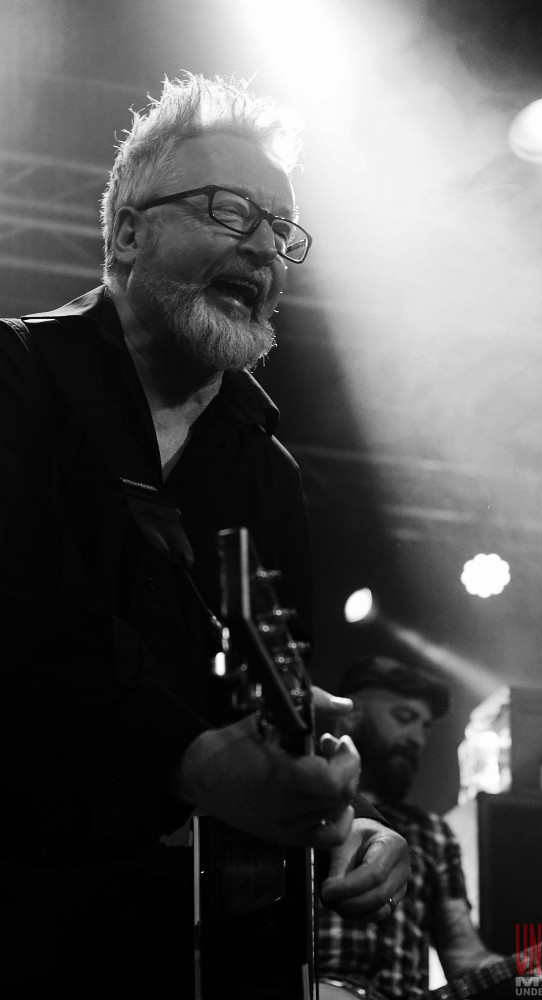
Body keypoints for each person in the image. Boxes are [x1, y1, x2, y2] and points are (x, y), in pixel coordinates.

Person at [0, 73, 409, 1000]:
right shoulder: (15, 376)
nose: (263, 246)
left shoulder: (269, 474)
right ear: (127, 233)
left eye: (281, 228)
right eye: (230, 210)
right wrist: (187, 760)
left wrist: (332, 821)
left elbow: (266, 717)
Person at [317, 654, 505, 1000]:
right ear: (351, 714)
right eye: (404, 718)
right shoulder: (300, 805)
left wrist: (535, 973)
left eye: (425, 727)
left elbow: (464, 957)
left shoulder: (433, 833)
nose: (417, 738)